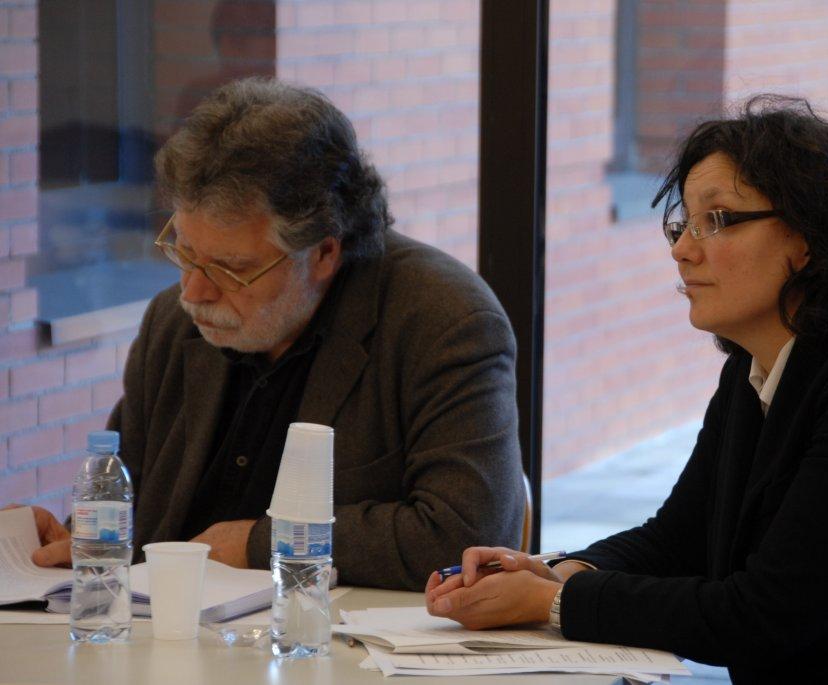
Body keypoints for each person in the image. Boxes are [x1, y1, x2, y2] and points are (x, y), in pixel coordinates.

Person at [425, 95, 828, 682]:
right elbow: (677, 541)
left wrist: (550, 604)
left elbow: (760, 617)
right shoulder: (760, 363)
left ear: (807, 236)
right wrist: (555, 571)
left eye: (717, 220)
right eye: (683, 223)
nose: (682, 250)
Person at [20, 77, 524, 591]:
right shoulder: (171, 324)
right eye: (185, 253)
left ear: (324, 253)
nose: (194, 291)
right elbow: (129, 505)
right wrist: (77, 537)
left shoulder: (443, 322)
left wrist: (260, 543)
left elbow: (467, 534)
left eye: (231, 269)